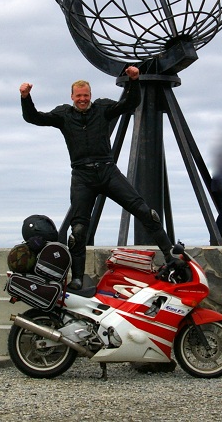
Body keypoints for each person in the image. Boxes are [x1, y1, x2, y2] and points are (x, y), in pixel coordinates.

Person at [19, 66, 182, 290]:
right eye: (79, 96)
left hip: (107, 170)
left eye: (86, 95)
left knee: (146, 212)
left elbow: (130, 104)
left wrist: (134, 81)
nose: (83, 99)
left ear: (90, 95)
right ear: (72, 97)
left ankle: (171, 255)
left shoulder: (102, 108)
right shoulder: (64, 115)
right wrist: (25, 97)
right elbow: (34, 118)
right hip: (82, 176)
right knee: (78, 230)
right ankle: (77, 277)